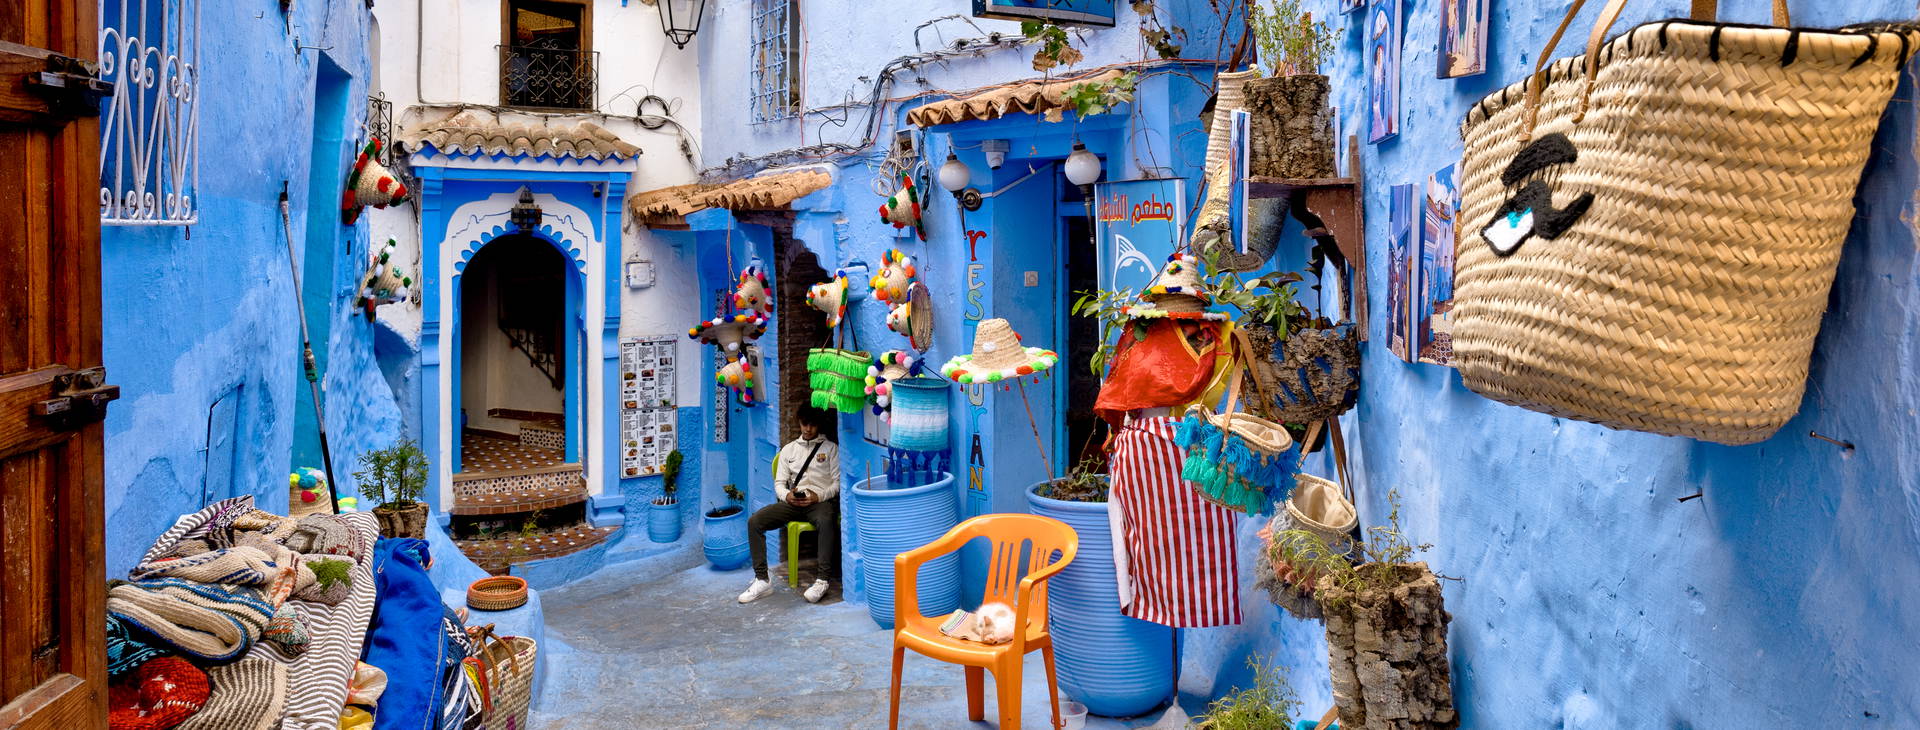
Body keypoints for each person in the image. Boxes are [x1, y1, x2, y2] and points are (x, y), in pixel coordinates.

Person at [738, 415, 840, 604]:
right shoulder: (789, 450)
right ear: (799, 423)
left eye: (812, 424)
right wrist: (787, 496)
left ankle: (822, 581)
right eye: (805, 423)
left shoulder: (831, 448)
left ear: (818, 425)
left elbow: (837, 483)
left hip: (819, 503)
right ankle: (762, 580)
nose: (808, 428)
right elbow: (779, 483)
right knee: (755, 522)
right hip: (793, 503)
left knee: (827, 521)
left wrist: (819, 496)